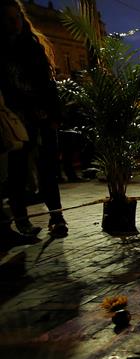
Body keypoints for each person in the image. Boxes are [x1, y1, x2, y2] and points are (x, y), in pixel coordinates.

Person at [0, 0, 67, 238]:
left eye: (17, 17)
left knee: (48, 169)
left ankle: (57, 216)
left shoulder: (33, 46)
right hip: (16, 119)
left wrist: (51, 114)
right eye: (8, 19)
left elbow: (47, 84)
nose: (14, 23)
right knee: (17, 172)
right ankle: (22, 221)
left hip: (43, 116)